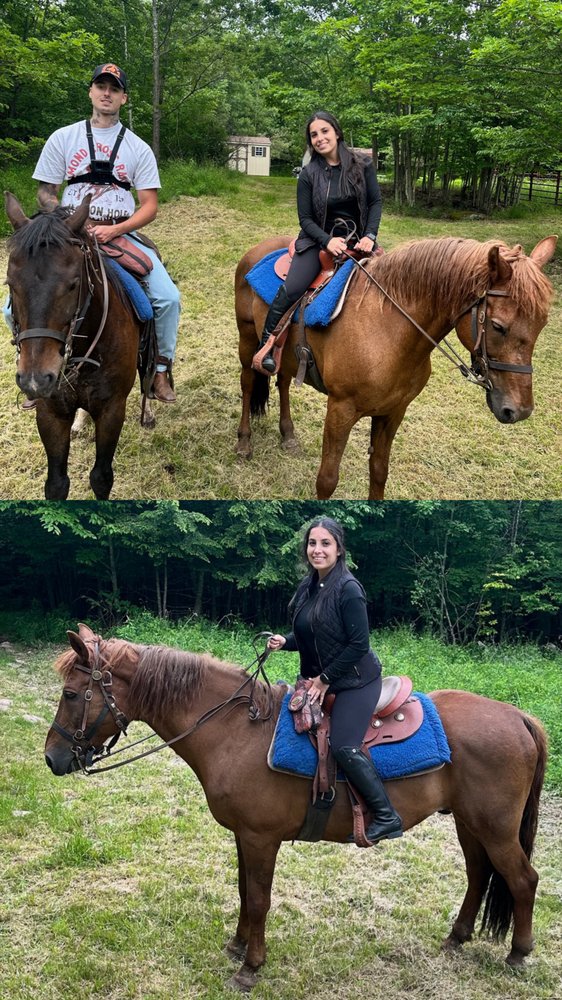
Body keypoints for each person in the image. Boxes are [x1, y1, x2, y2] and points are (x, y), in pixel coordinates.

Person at [25, 62, 179, 405]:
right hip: (69, 233)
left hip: (121, 233)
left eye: (114, 88)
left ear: (123, 98)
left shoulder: (138, 148)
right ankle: (33, 367)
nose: (106, 93)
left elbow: (149, 205)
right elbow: (46, 192)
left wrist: (115, 230)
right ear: (91, 92)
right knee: (12, 307)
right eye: (101, 86)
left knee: (168, 299)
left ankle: (160, 369)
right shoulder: (62, 138)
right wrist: (65, 221)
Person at [267, 517, 402, 844]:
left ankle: (386, 816)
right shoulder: (309, 585)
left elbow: (358, 645)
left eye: (325, 544)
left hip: (356, 681)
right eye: (312, 543)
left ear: (339, 549)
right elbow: (313, 635)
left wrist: (325, 679)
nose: (317, 550)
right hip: (322, 678)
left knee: (343, 744)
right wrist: (286, 641)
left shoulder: (349, 589)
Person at [254, 111, 382, 373]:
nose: (320, 138)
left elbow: (375, 202)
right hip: (316, 241)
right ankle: (267, 345)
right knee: (292, 288)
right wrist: (327, 241)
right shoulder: (309, 174)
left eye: (324, 131)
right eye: (314, 134)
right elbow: (306, 219)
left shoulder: (363, 164)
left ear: (337, 131)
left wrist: (370, 235)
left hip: (359, 242)